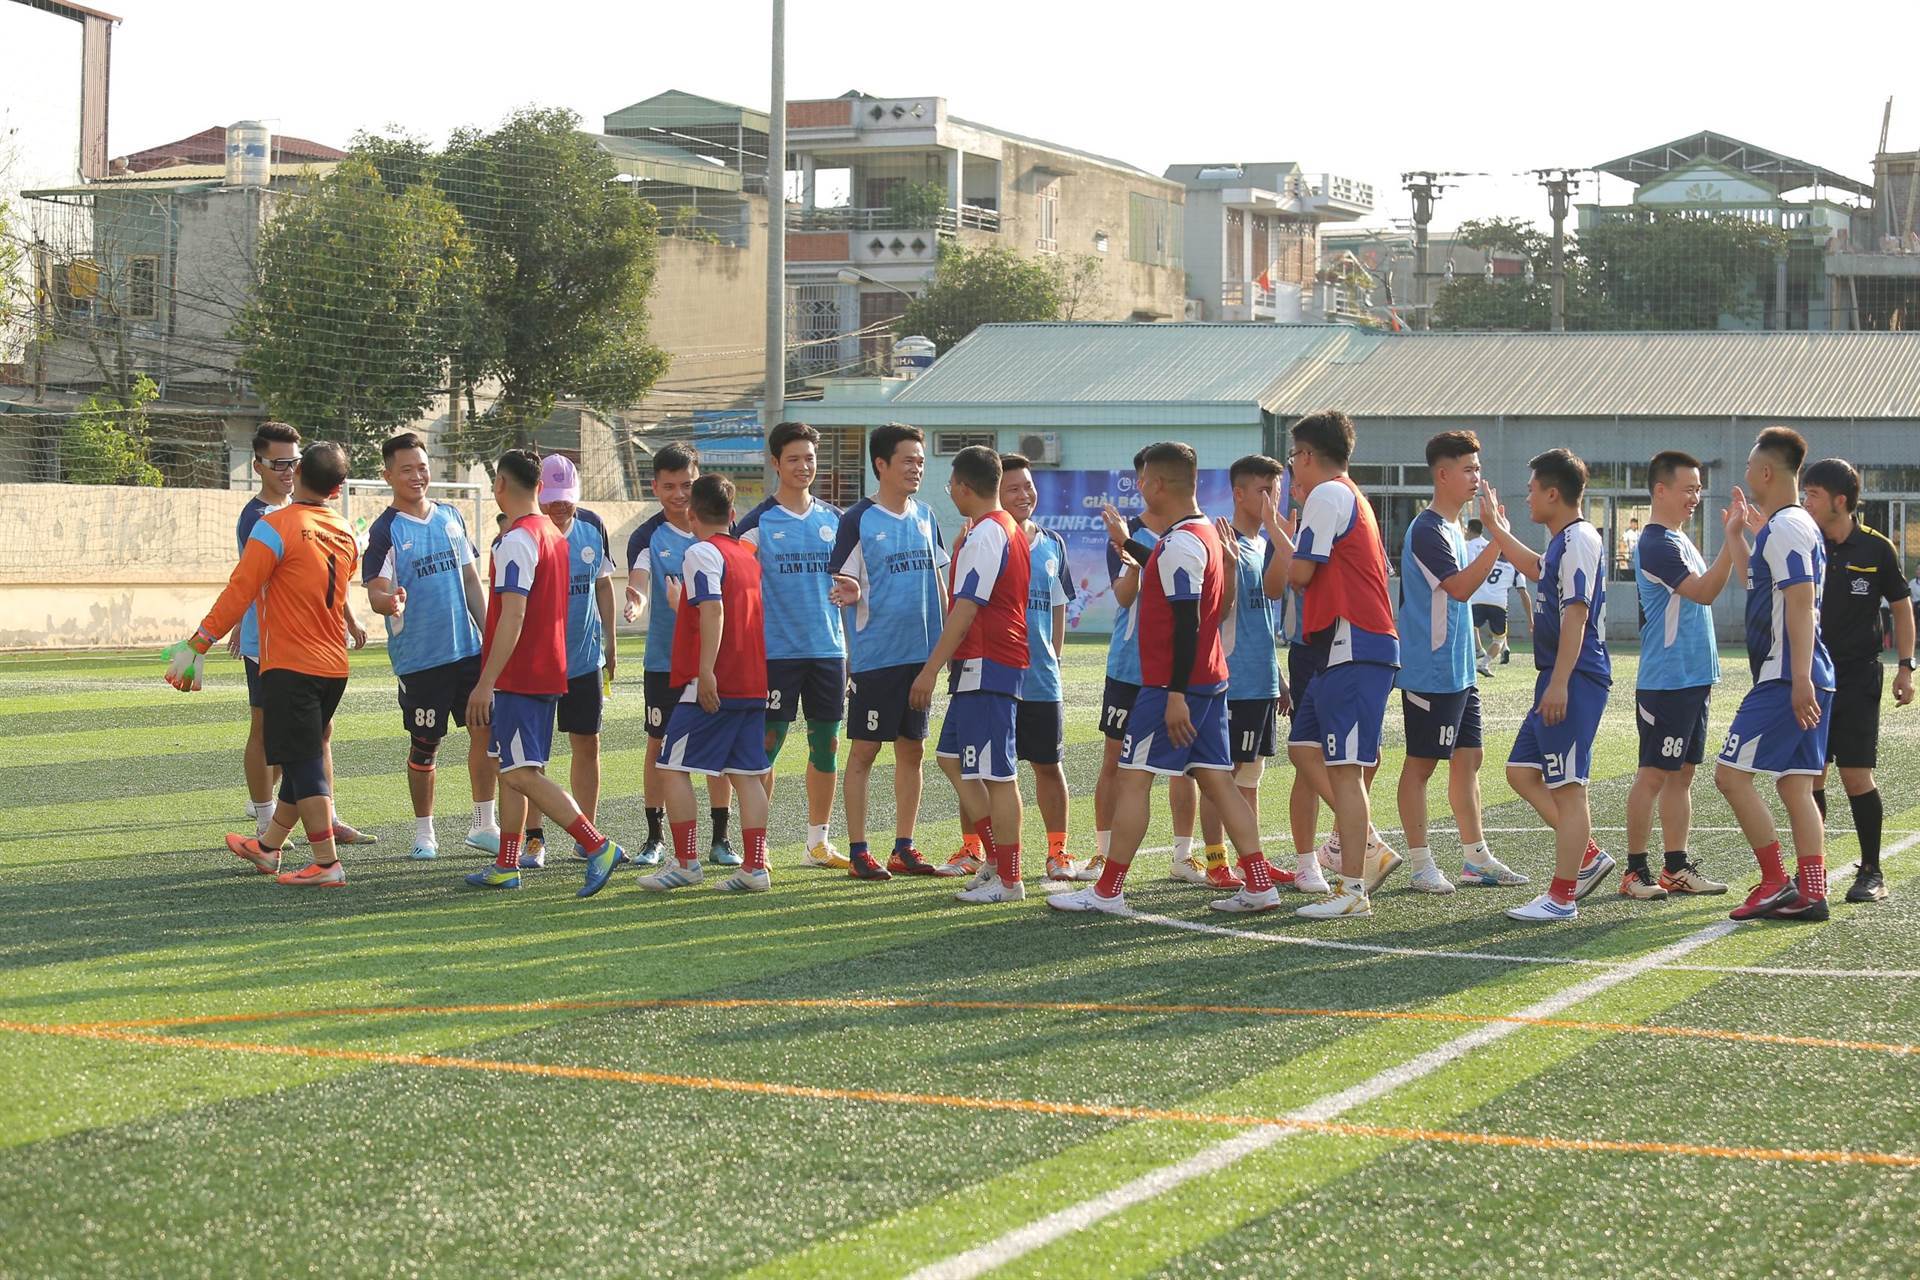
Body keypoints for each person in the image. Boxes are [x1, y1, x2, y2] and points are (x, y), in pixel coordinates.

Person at [1050, 442, 1287, 915]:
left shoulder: (1181, 543)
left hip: (1171, 689)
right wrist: (1127, 543)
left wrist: (1175, 694)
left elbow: (1187, 623)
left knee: (1133, 780)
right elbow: (1172, 572)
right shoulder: (1202, 534)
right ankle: (1260, 884)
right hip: (1210, 682)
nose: (1140, 488)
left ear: (1157, 484)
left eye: (1144, 481)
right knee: (1220, 782)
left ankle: (1108, 891)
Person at [169, 442, 362, 888]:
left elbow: (241, 590)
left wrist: (199, 642)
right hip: (334, 666)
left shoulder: (274, 526)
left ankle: (327, 864)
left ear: (298, 471)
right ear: (338, 489)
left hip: (292, 665)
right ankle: (268, 846)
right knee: (300, 757)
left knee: (304, 761)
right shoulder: (346, 532)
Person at [463, 449, 626, 895]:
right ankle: (507, 862)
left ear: (499, 485)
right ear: (538, 487)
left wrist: (486, 682)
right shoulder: (552, 535)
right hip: (545, 668)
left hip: (522, 674)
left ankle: (597, 845)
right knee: (512, 767)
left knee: (519, 772)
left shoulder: (517, 540)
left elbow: (513, 615)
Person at [1481, 450, 1615, 922]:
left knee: (1568, 788)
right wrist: (1497, 530)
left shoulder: (1578, 539)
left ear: (1553, 493)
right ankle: (1587, 856)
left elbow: (1576, 614)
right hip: (1558, 676)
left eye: (1533, 489)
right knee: (1521, 771)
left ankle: (1562, 897)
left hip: (1574, 676)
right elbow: (1538, 568)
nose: (1528, 498)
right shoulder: (1564, 540)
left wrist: (1560, 684)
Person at [1394, 431, 1527, 895]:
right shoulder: (1427, 529)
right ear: (1442, 474)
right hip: (1430, 669)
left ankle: (1476, 858)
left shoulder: (1452, 527)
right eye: (1468, 469)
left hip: (1459, 668)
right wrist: (1498, 538)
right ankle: (1421, 864)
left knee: (1469, 758)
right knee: (1422, 765)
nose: (1477, 477)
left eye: (1478, 468)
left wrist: (1494, 536)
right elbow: (1460, 588)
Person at [1282, 411, 1402, 920]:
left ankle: (1353, 888)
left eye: (1293, 457)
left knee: (1346, 771)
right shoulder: (1346, 495)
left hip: (1355, 644)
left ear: (1308, 455)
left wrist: (1279, 534)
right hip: (1341, 647)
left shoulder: (1328, 494)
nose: (1292, 467)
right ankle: (1366, 844)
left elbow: (1300, 574)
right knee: (1303, 748)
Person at [1713, 428, 1837, 922]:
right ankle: (1812, 891)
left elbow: (1801, 603)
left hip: (1788, 676)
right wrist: (1736, 537)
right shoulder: (1790, 525)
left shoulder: (1786, 526)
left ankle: (1774, 882)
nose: (1745, 474)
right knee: (1795, 787)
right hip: (1804, 672)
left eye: (1749, 466)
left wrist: (1799, 678)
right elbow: (1762, 584)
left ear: (1766, 472)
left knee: (1730, 776)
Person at [230, 422, 370, 845]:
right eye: (279, 463)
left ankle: (322, 816)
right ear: (257, 466)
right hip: (270, 643)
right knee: (265, 729)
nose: (288, 470)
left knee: (318, 734)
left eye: (294, 461)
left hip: (310, 644)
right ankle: (266, 818)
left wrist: (347, 616)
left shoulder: (306, 511)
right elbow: (249, 582)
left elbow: (322, 575)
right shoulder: (259, 518)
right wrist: (223, 629)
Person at [939, 452, 1077, 881]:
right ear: (996, 490)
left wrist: (1053, 657)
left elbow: (1057, 607)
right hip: (991, 669)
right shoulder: (982, 536)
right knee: (971, 762)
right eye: (1013, 488)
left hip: (1031, 677)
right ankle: (978, 850)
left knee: (1038, 766)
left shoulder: (1049, 543)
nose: (1024, 495)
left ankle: (1052, 853)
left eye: (1028, 486)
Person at [362, 432, 496, 863]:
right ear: (388, 476)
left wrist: (489, 635)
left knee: (485, 734)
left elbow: (471, 580)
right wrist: (388, 601)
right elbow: (376, 591)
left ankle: (484, 825)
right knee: (425, 746)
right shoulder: (385, 531)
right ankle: (425, 833)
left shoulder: (451, 516)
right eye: (406, 470)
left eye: (422, 467)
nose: (417, 476)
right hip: (421, 662)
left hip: (468, 653)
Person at [1620, 451, 1748, 901]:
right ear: (1660, 490)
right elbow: (1705, 592)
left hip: (1692, 678)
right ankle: (1636, 871)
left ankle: (1675, 867)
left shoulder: (1677, 538)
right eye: (1688, 488)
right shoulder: (1658, 543)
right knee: (1653, 775)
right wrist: (1732, 539)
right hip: (1667, 680)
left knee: (1682, 775)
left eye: (1698, 489)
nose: (1696, 497)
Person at [639, 475, 774, 893]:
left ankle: (686, 863)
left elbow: (713, 610)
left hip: (715, 682)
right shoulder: (746, 557)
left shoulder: (700, 552)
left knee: (670, 766)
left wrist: (706, 672)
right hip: (752, 680)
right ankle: (755, 867)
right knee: (746, 775)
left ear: (691, 514)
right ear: (732, 515)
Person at [829, 422, 949, 881]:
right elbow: (843, 579)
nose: (917, 468)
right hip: (876, 657)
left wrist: (945, 646)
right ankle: (859, 850)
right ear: (881, 464)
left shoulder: (927, 516)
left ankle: (904, 846)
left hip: (921, 658)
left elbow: (938, 582)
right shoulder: (858, 519)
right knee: (864, 750)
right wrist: (851, 589)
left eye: (921, 461)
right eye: (908, 460)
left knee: (912, 750)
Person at [914, 446, 1031, 904]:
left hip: (989, 663)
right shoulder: (999, 528)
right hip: (979, 665)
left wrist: (929, 671)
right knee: (950, 757)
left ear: (963, 488)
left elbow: (966, 610)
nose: (951, 493)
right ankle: (997, 861)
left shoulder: (987, 533)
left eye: (951, 486)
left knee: (999, 775)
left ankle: (1010, 879)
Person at [735, 422, 848, 870]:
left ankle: (817, 843)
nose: (804, 467)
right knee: (766, 747)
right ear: (776, 463)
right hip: (775, 655)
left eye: (810, 458)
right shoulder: (756, 524)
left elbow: (855, 582)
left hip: (829, 652)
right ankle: (757, 846)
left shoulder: (836, 521)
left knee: (827, 746)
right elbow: (737, 587)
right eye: (794, 459)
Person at [1801, 457, 1914, 903]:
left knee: (1855, 776)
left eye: (1813, 495)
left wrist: (1906, 666)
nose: (1806, 502)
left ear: (1840, 501)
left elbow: (1901, 607)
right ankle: (1812, 871)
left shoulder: (1876, 548)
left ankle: (1871, 871)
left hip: (1858, 677)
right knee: (1810, 776)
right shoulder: (1805, 541)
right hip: (1813, 676)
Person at [1086, 445, 1200, 884]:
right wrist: (1129, 555)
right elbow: (1123, 596)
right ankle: (1103, 854)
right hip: (1129, 668)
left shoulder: (1187, 532)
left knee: (1183, 765)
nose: (1146, 484)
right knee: (1114, 761)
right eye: (1143, 477)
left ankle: (1183, 856)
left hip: (1174, 669)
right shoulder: (1127, 532)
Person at [625, 444, 734, 869]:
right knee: (658, 746)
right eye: (669, 486)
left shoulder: (723, 529)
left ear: (698, 480)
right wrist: (634, 601)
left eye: (686, 484)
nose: (678, 494)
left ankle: (721, 838)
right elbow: (638, 580)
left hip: (713, 663)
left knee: (718, 746)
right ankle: (654, 838)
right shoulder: (647, 536)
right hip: (665, 664)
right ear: (654, 487)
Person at [1195, 454, 1292, 892]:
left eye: (1277, 490)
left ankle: (1251, 859)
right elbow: (1216, 612)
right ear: (1238, 493)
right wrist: (1230, 568)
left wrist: (1279, 677)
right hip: (1231, 681)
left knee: (1249, 778)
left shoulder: (1263, 543)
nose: (1273, 499)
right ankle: (1216, 860)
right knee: (1221, 778)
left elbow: (1266, 611)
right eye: (1264, 491)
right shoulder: (1222, 542)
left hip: (1261, 680)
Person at [534, 454, 616, 868]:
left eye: (565, 496)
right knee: (533, 755)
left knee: (587, 743)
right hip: (538, 664)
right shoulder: (526, 532)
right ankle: (533, 839)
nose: (559, 505)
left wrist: (611, 642)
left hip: (585, 660)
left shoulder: (593, 526)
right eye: (551, 497)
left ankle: (588, 836)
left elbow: (602, 585)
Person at [1464, 517, 1516, 674]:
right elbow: (1522, 591)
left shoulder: (1474, 549)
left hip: (1478, 594)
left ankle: (1474, 654)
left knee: (1469, 628)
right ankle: (1487, 660)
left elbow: (1472, 567)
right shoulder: (1513, 566)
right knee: (1499, 637)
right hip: (1498, 602)